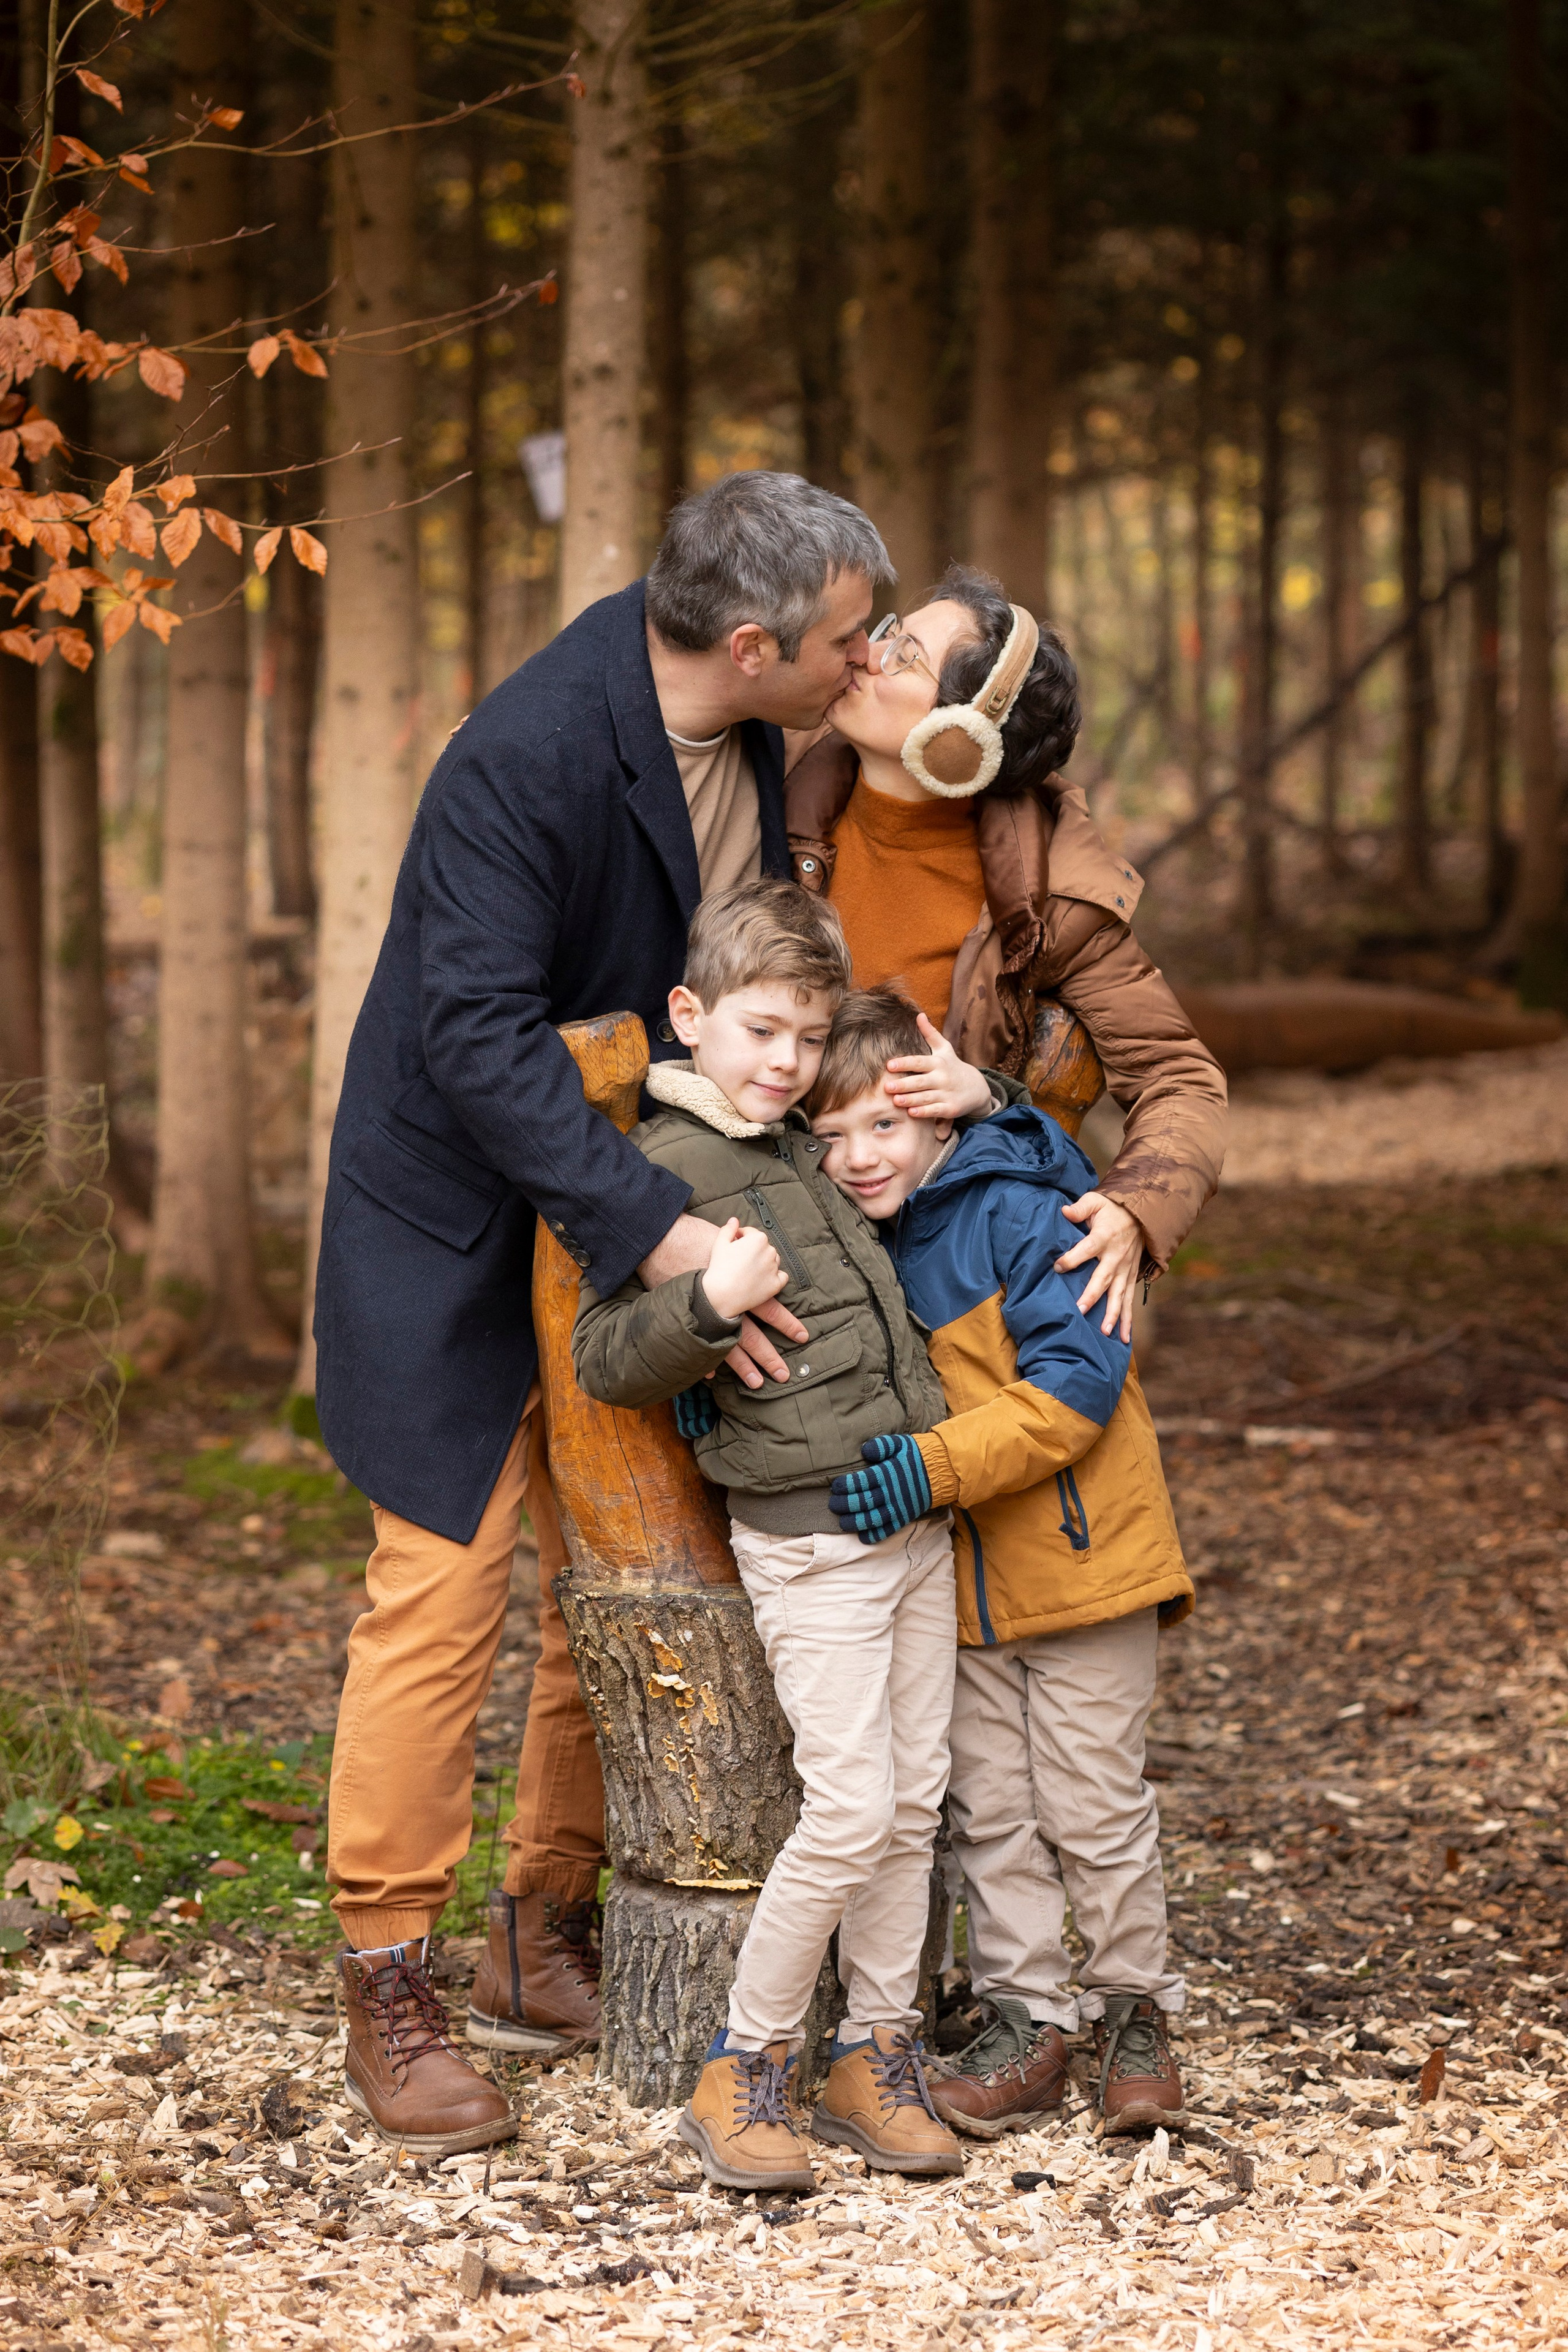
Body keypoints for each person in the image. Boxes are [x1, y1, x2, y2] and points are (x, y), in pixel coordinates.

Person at [312, 474, 895, 2154]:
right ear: (752, 643)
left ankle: (535, 1918)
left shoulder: (757, 731)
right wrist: (662, 1232)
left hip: (625, 1199)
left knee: (620, 1567)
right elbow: (474, 1039)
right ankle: (387, 1970)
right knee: (442, 1585)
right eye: (847, 638)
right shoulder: (529, 754)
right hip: (454, 1218)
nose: (862, 662)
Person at [572, 880, 993, 2193]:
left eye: (808, 1039)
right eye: (762, 1031)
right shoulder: (659, 1170)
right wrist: (705, 1304)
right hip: (808, 1542)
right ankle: (742, 2063)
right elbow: (604, 1356)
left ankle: (875, 2052)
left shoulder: (804, 1146)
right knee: (852, 1806)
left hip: (910, 1520)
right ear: (688, 1015)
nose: (787, 1062)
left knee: (911, 1805)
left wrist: (986, 1103)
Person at [809, 985, 1196, 2137]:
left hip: (1085, 1568)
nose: (860, 1157)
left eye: (884, 1124)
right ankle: (1031, 2019)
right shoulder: (858, 1244)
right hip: (962, 1592)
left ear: (938, 1114)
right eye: (831, 1135)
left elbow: (1076, 1388)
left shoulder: (1024, 1211)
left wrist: (932, 1469)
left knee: (1094, 1804)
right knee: (991, 1816)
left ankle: (1133, 2012)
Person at [788, 562, 1227, 1350]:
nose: (864, 653)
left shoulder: (1051, 898)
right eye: (889, 634)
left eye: (904, 656)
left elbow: (1181, 1078)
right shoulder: (771, 791)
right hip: (770, 1231)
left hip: (940, 1266)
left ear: (960, 739)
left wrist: (1134, 1209)